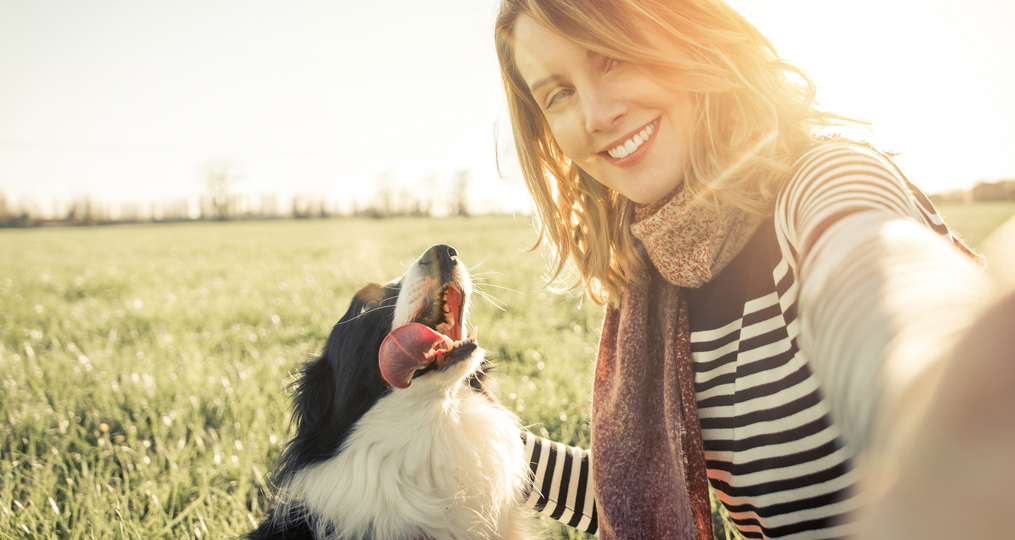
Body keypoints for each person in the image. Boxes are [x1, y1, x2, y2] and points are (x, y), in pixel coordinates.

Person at [493, 0, 1011, 539]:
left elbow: (877, 278)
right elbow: (637, 499)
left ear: (687, 34)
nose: (597, 115)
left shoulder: (824, 183)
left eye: (613, 58)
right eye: (559, 93)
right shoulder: (658, 276)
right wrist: (476, 435)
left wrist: (945, 388)